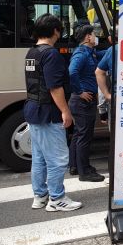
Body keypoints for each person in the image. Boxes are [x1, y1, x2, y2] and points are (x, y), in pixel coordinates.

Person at [24, 14, 82, 212]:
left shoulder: (32, 52)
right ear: (56, 31)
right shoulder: (52, 54)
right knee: (57, 158)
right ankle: (57, 198)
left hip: (33, 110)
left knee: (39, 158)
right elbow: (54, 87)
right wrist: (65, 111)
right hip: (49, 113)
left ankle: (40, 196)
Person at [68, 24, 107, 182]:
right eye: (94, 34)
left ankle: (75, 166)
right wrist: (79, 92)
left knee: (78, 134)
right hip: (83, 101)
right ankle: (85, 171)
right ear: (87, 37)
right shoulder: (82, 54)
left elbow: (105, 55)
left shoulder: (90, 53)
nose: (96, 36)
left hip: (80, 102)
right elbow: (72, 72)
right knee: (84, 136)